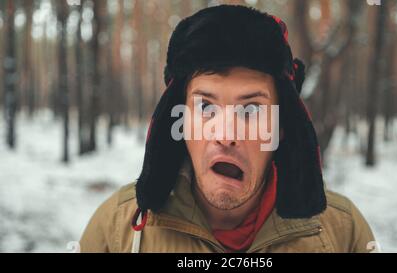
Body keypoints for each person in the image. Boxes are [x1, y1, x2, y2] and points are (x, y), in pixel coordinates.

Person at [80, 5, 376, 253]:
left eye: (250, 110)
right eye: (206, 107)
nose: (226, 135)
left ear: (281, 127)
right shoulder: (117, 230)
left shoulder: (342, 233)